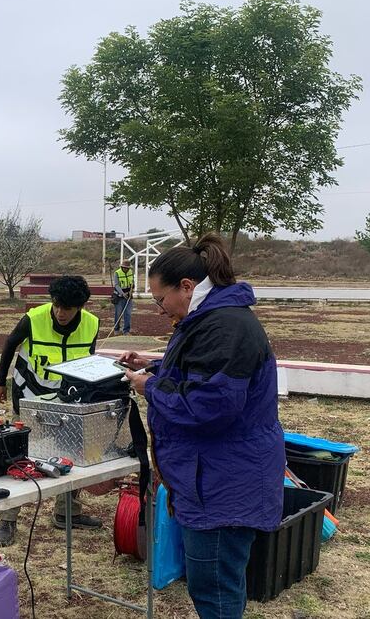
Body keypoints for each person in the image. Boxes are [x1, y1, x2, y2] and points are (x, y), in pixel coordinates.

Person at [120, 233, 284, 619]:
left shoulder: (223, 326)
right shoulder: (210, 318)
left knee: (214, 590)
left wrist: (150, 387)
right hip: (214, 475)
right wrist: (155, 366)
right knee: (218, 583)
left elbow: (209, 406)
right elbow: (201, 371)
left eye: (160, 299)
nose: (160, 308)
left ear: (187, 286)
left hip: (223, 482)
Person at [0, 275, 103, 546]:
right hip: (29, 397)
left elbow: (88, 362)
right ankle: (8, 519)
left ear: (80, 307)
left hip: (67, 401)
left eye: (68, 308)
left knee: (72, 455)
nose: (60, 313)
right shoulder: (33, 319)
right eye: (57, 305)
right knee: (20, 458)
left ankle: (66, 513)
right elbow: (10, 345)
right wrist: (0, 381)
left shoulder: (91, 324)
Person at [110, 258, 135, 335]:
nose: (126, 269)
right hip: (119, 296)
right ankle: (116, 329)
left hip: (129, 296)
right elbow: (116, 285)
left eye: (128, 268)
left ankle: (126, 331)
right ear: (122, 267)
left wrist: (131, 290)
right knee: (118, 314)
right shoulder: (117, 273)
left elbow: (132, 282)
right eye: (125, 268)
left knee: (128, 314)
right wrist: (123, 294)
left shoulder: (130, 272)